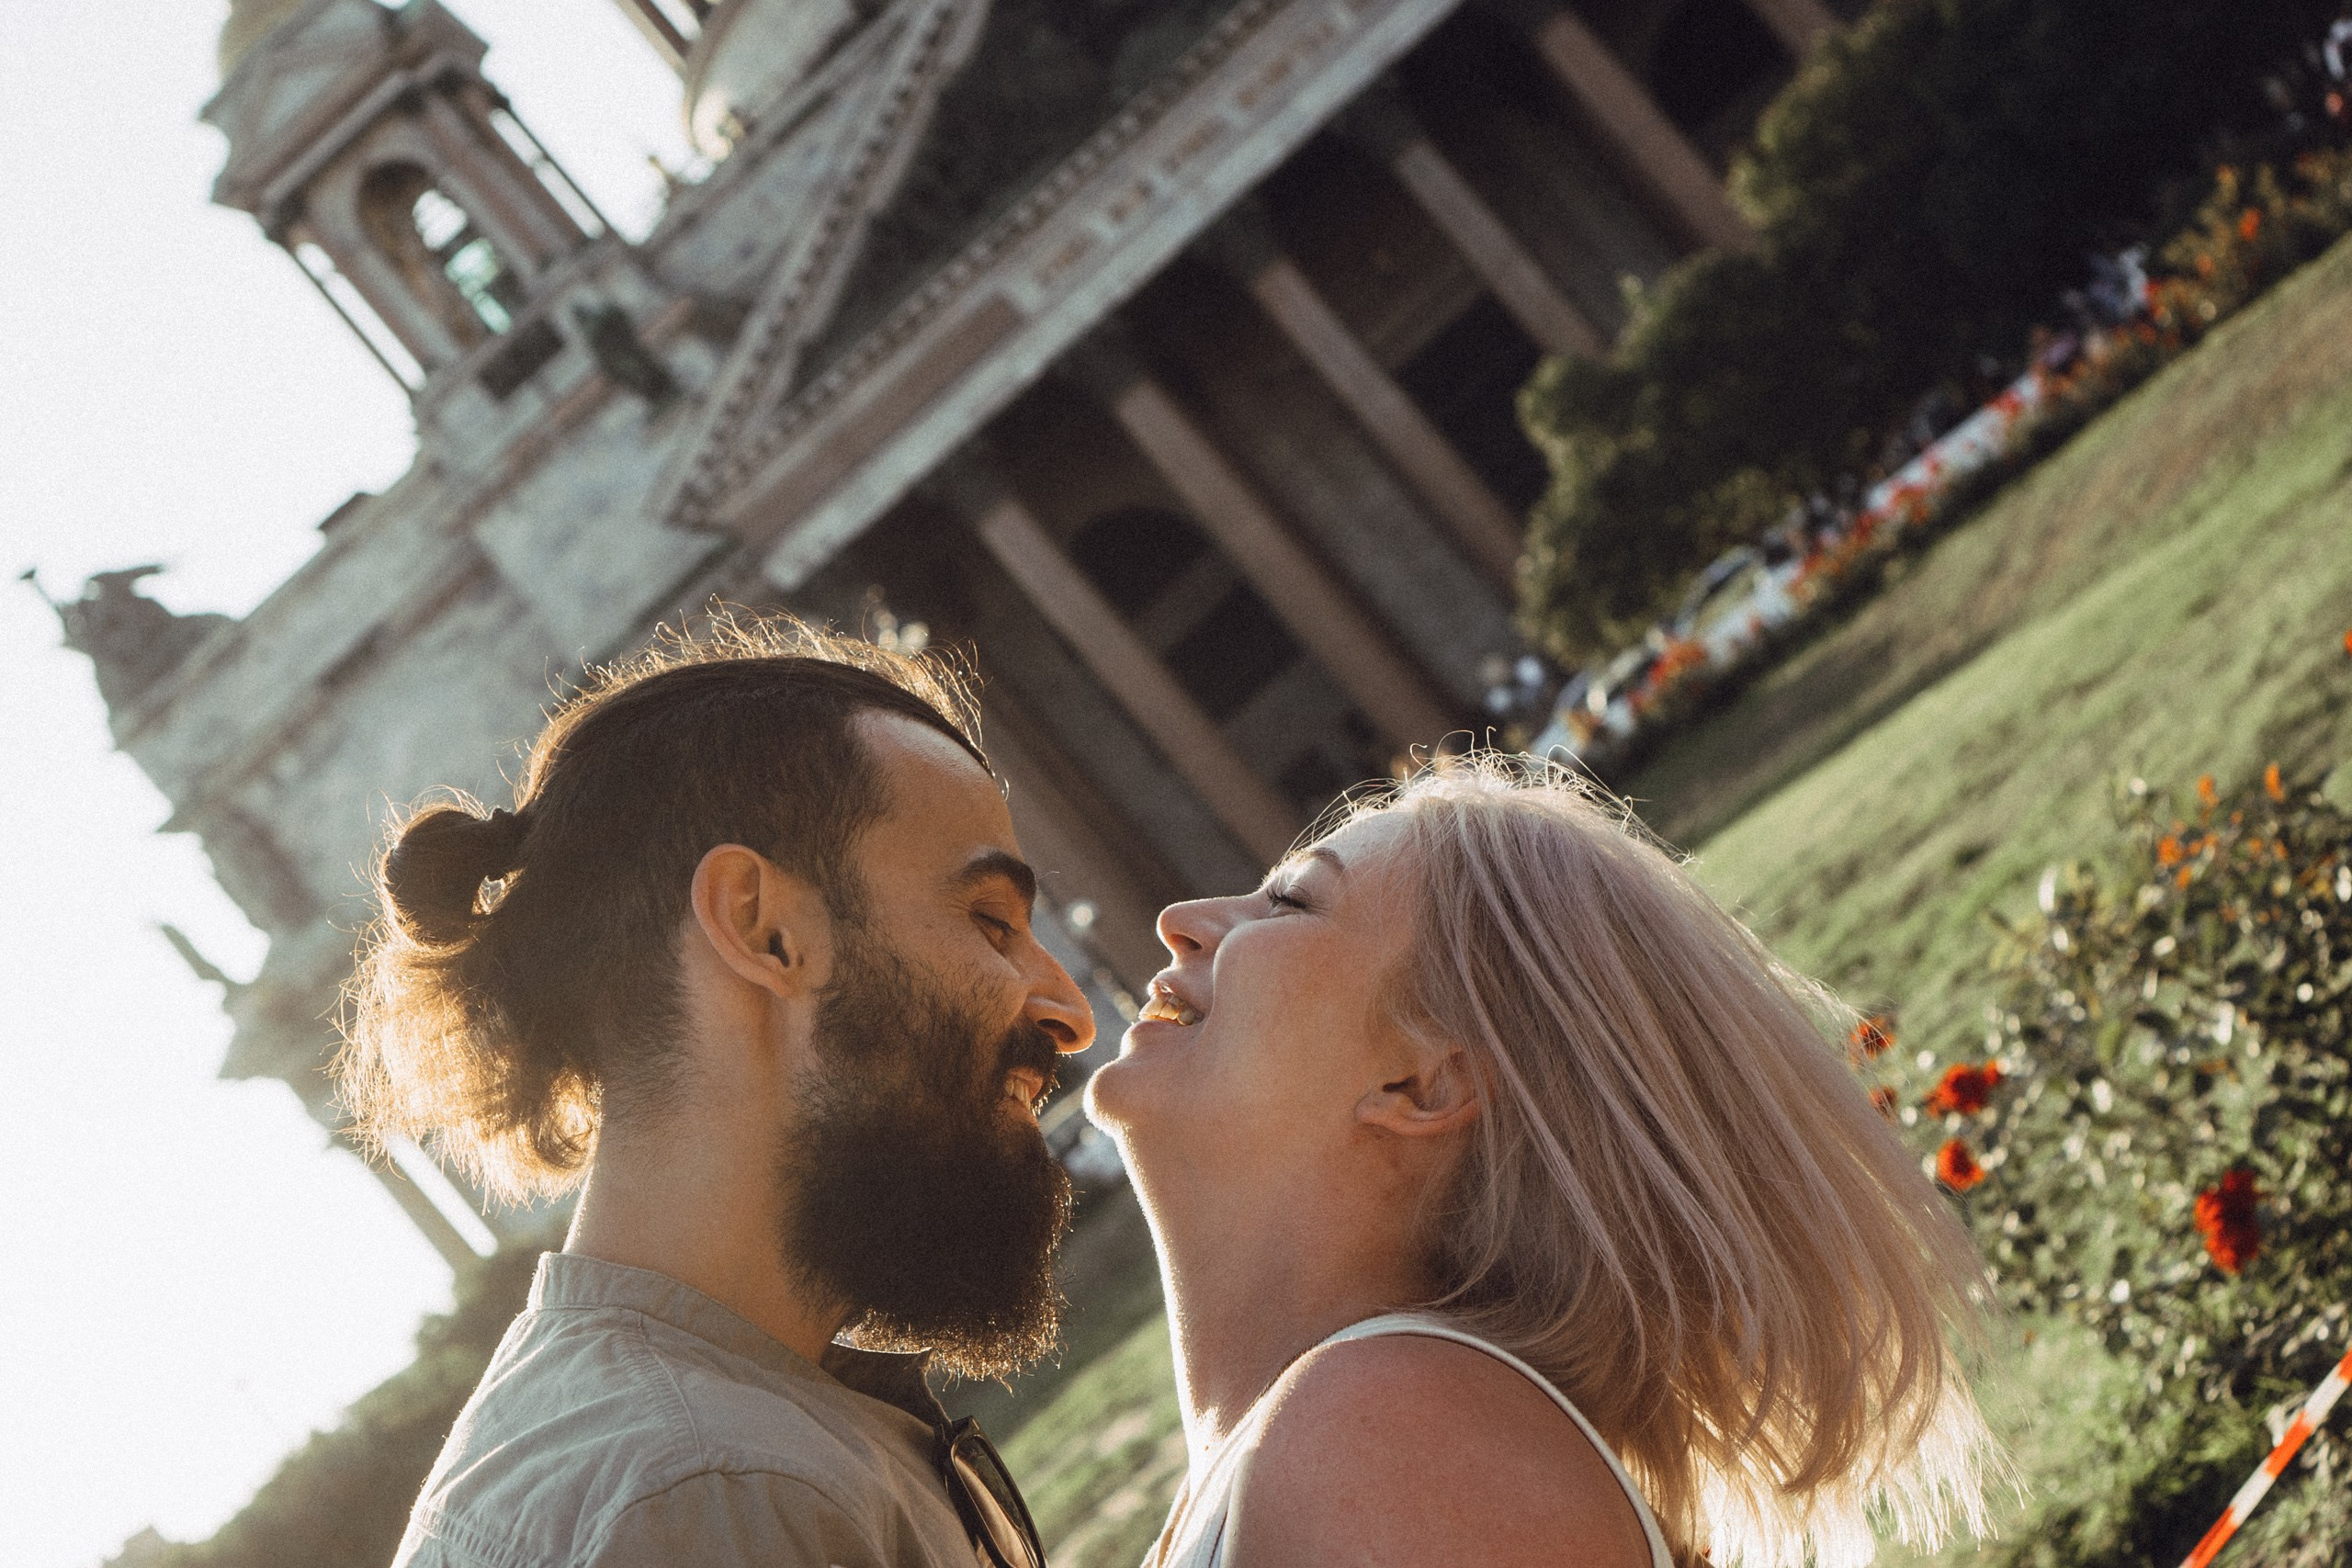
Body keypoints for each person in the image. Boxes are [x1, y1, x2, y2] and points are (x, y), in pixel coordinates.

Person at [1087, 753, 2001, 1568]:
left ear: (1424, 1084)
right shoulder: (1339, 1441)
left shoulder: (1391, 1438)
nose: (1181, 921)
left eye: (1290, 901)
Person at [341, 612, 1094, 1568]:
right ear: (764, 930)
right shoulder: (717, 1495)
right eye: (990, 921)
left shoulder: (711, 1447)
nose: (1072, 1011)